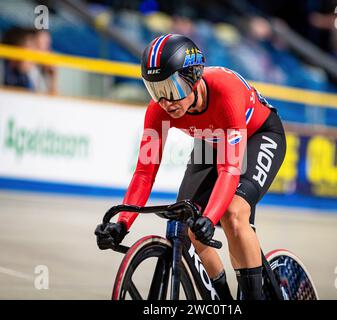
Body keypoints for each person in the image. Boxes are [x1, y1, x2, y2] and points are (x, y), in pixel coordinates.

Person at [95, 34, 286, 300]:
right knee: (187, 223)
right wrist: (122, 224)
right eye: (156, 90)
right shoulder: (159, 111)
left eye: (172, 88)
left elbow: (231, 169)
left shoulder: (225, 91)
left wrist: (210, 217)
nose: (166, 101)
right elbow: (144, 172)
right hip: (212, 143)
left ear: (194, 78)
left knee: (232, 214)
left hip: (259, 135)